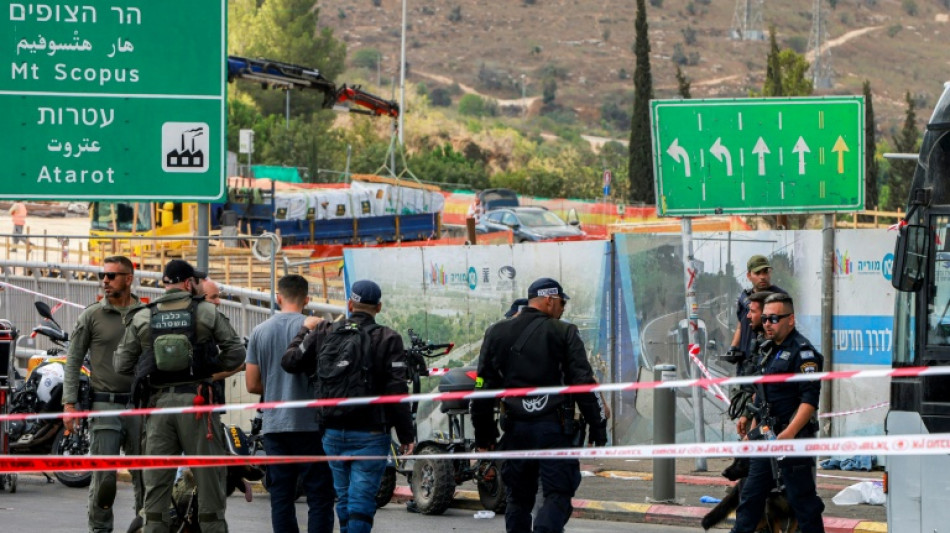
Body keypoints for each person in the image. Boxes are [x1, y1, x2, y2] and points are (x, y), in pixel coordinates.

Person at [114, 259, 246, 533]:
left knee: (157, 490)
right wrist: (208, 370)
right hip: (197, 407)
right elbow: (236, 353)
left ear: (165, 283)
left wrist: (152, 368)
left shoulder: (143, 315)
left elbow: (122, 365)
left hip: (158, 409)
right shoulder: (206, 312)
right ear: (188, 284)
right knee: (209, 484)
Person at [472, 277, 608, 533]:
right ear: (549, 300)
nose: (563, 308)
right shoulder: (564, 332)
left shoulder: (496, 333)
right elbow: (583, 384)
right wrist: (598, 429)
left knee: (518, 500)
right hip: (553, 430)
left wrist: (485, 436)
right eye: (561, 302)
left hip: (515, 430)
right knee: (558, 495)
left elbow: (481, 388)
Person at [281, 279, 415, 533]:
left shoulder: (324, 331)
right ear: (379, 307)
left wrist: (304, 330)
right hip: (371, 433)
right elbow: (396, 391)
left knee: (344, 500)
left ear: (350, 304)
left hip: (331, 431)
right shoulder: (388, 338)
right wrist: (406, 434)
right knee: (361, 502)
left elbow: (289, 361)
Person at [62, 255, 146, 533]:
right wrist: (69, 405)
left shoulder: (145, 314)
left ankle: (144, 528)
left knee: (144, 478)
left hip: (140, 407)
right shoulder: (92, 315)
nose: (105, 281)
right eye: (103, 276)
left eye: (111, 276)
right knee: (104, 479)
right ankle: (100, 529)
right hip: (103, 405)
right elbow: (73, 360)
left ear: (129, 279)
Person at [245, 275, 335, 533]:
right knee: (320, 495)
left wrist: (275, 386)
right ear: (307, 300)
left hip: (275, 426)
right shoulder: (319, 328)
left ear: (278, 297)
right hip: (312, 426)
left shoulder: (259, 331)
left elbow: (252, 385)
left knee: (281, 497)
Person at [730, 292, 825, 533]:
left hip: (791, 441)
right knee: (749, 499)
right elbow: (761, 393)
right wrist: (748, 418)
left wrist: (789, 434)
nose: (768, 324)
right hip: (766, 439)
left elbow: (809, 402)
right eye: (765, 319)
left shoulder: (803, 353)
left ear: (790, 319)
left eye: (774, 319)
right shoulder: (767, 350)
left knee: (803, 503)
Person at [726, 255, 787, 366]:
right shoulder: (744, 299)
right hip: (746, 364)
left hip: (768, 362)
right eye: (758, 273)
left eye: (765, 272)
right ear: (749, 275)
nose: (762, 277)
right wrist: (733, 348)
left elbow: (786, 329)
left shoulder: (780, 297)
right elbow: (740, 326)